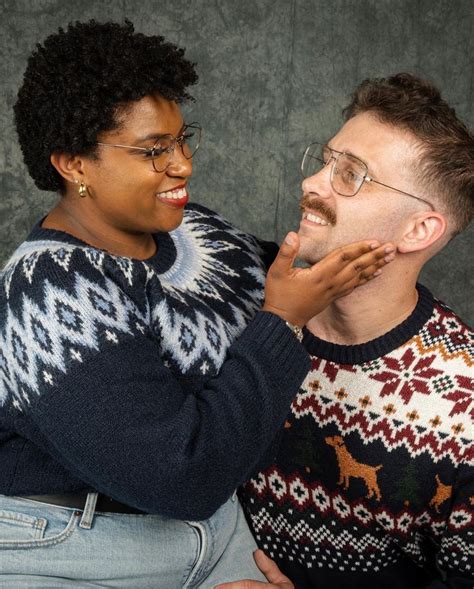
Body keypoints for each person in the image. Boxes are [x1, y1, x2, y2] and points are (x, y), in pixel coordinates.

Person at [0, 21, 394, 588]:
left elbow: (300, 278)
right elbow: (179, 476)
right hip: (72, 541)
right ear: (74, 164)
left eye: (183, 139)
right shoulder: (46, 296)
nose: (182, 164)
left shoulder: (193, 231)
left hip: (214, 525)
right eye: (153, 150)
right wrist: (281, 320)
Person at [221, 73, 474, 589]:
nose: (311, 184)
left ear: (419, 230)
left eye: (352, 174)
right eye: (326, 161)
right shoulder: (241, 313)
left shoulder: (464, 407)